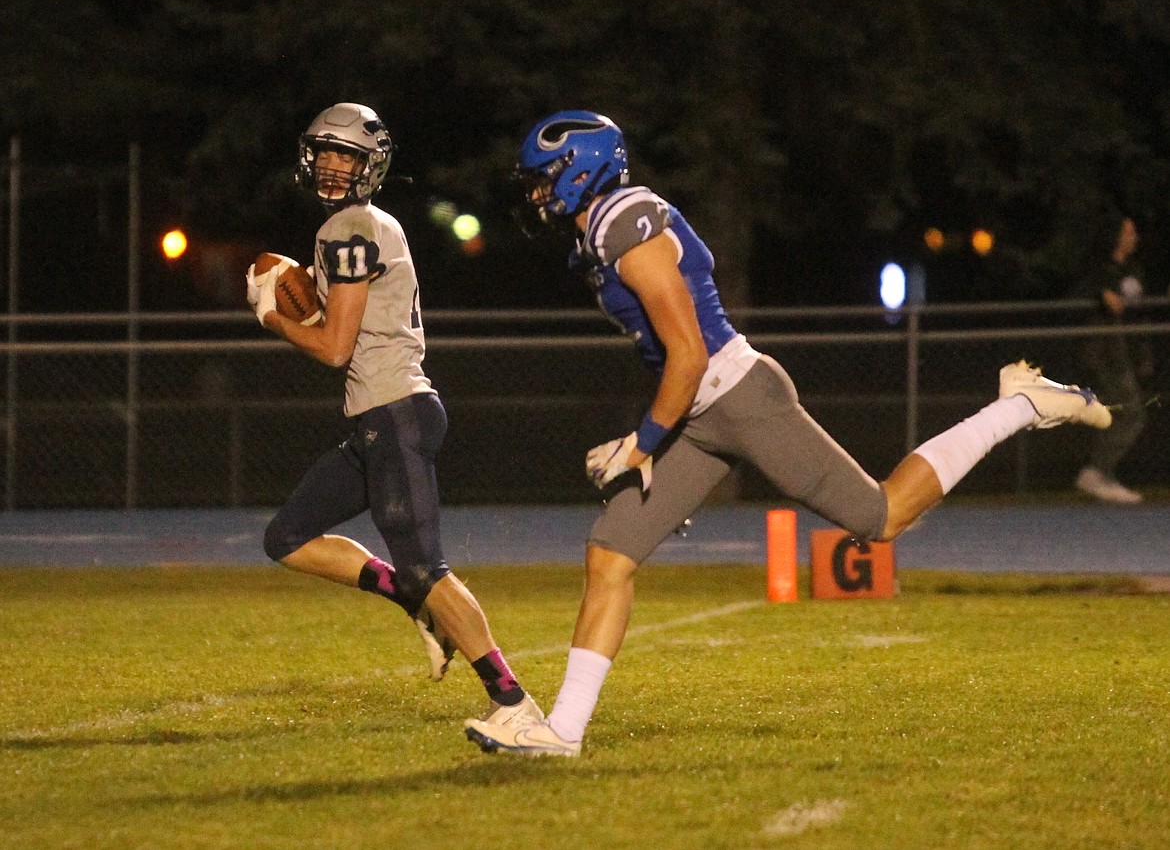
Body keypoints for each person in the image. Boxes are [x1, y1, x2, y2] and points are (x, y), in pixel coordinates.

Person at [463, 110, 1113, 758]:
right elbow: (673, 360)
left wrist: (641, 443)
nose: (538, 194)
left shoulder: (625, 221)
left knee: (882, 514)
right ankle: (564, 732)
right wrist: (656, 442)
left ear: (582, 170)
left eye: (545, 179)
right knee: (610, 553)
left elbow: (688, 353)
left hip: (740, 398)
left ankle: (1020, 405)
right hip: (696, 413)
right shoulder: (598, 235)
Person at [247, 102, 542, 730]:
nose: (330, 166)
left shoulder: (348, 229)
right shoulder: (364, 225)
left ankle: (513, 702)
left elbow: (334, 347)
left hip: (395, 412)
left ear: (369, 166)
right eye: (324, 153)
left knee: (425, 566)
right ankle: (417, 603)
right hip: (379, 417)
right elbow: (340, 328)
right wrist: (299, 301)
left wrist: (273, 317)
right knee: (288, 538)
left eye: (345, 156)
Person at [1070, 214, 1148, 504]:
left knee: (1123, 411)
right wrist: (1105, 296)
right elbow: (1106, 303)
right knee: (1131, 411)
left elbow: (1132, 303)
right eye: (1128, 231)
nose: (1134, 236)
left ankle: (1100, 473)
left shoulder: (1133, 269)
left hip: (1126, 350)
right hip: (1105, 352)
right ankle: (1097, 471)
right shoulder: (1100, 270)